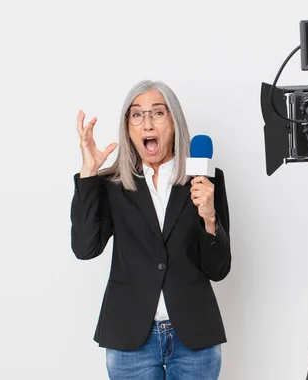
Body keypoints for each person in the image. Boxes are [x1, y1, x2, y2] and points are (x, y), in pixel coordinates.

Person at [70, 80, 231, 380]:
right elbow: (85, 247)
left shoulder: (205, 179)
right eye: (137, 115)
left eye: (158, 113)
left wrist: (210, 218)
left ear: (174, 122)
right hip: (130, 339)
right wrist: (89, 173)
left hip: (195, 336)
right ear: (128, 127)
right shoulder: (113, 185)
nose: (147, 124)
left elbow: (218, 269)